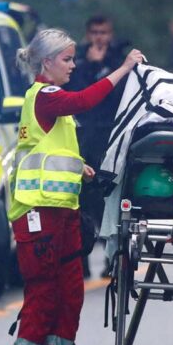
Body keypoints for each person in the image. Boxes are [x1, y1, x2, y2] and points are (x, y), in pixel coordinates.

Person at [10, 29, 145, 345]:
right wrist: (123, 69)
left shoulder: (53, 106)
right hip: (39, 215)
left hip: (63, 212)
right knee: (43, 296)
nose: (73, 65)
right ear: (47, 62)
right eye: (67, 60)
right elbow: (86, 99)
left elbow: (51, 154)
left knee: (69, 295)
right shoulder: (47, 96)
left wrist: (81, 168)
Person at [64, 15, 131, 277]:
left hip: (110, 137)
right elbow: (76, 95)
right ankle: (80, 261)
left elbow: (120, 95)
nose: (99, 38)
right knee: (80, 201)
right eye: (94, 32)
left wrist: (104, 66)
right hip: (83, 138)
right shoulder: (76, 61)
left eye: (103, 32)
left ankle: (111, 259)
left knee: (109, 199)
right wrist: (90, 67)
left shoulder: (119, 60)